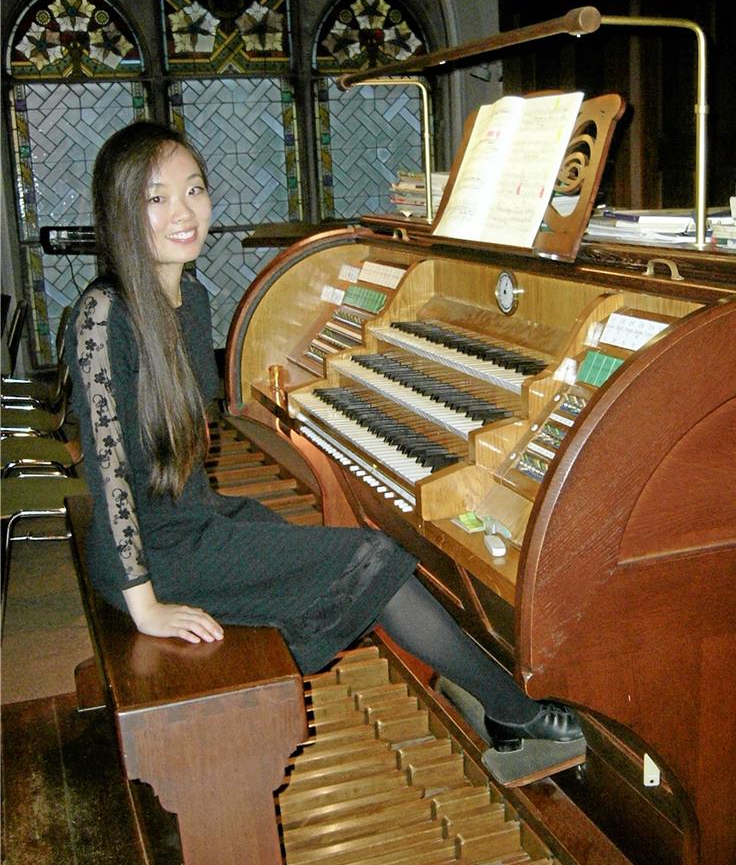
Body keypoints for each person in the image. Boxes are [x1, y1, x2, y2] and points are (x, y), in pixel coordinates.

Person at [65, 120, 580, 751]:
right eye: (157, 197)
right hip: (150, 558)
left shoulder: (189, 299)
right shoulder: (104, 312)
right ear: (121, 208)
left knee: (333, 556)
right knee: (371, 557)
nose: (184, 211)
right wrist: (143, 603)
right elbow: (107, 471)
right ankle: (509, 705)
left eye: (194, 189)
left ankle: (466, 676)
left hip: (195, 521)